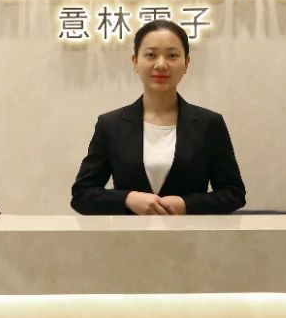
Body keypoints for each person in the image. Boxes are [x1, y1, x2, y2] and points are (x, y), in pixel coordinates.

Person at [71, 19, 246, 216]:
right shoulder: (111, 125)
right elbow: (82, 195)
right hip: (129, 235)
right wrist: (128, 199)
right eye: (151, 55)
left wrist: (186, 204)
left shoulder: (209, 124)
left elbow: (233, 194)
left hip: (190, 234)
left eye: (172, 55)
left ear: (186, 63)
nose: (161, 64)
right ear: (135, 61)